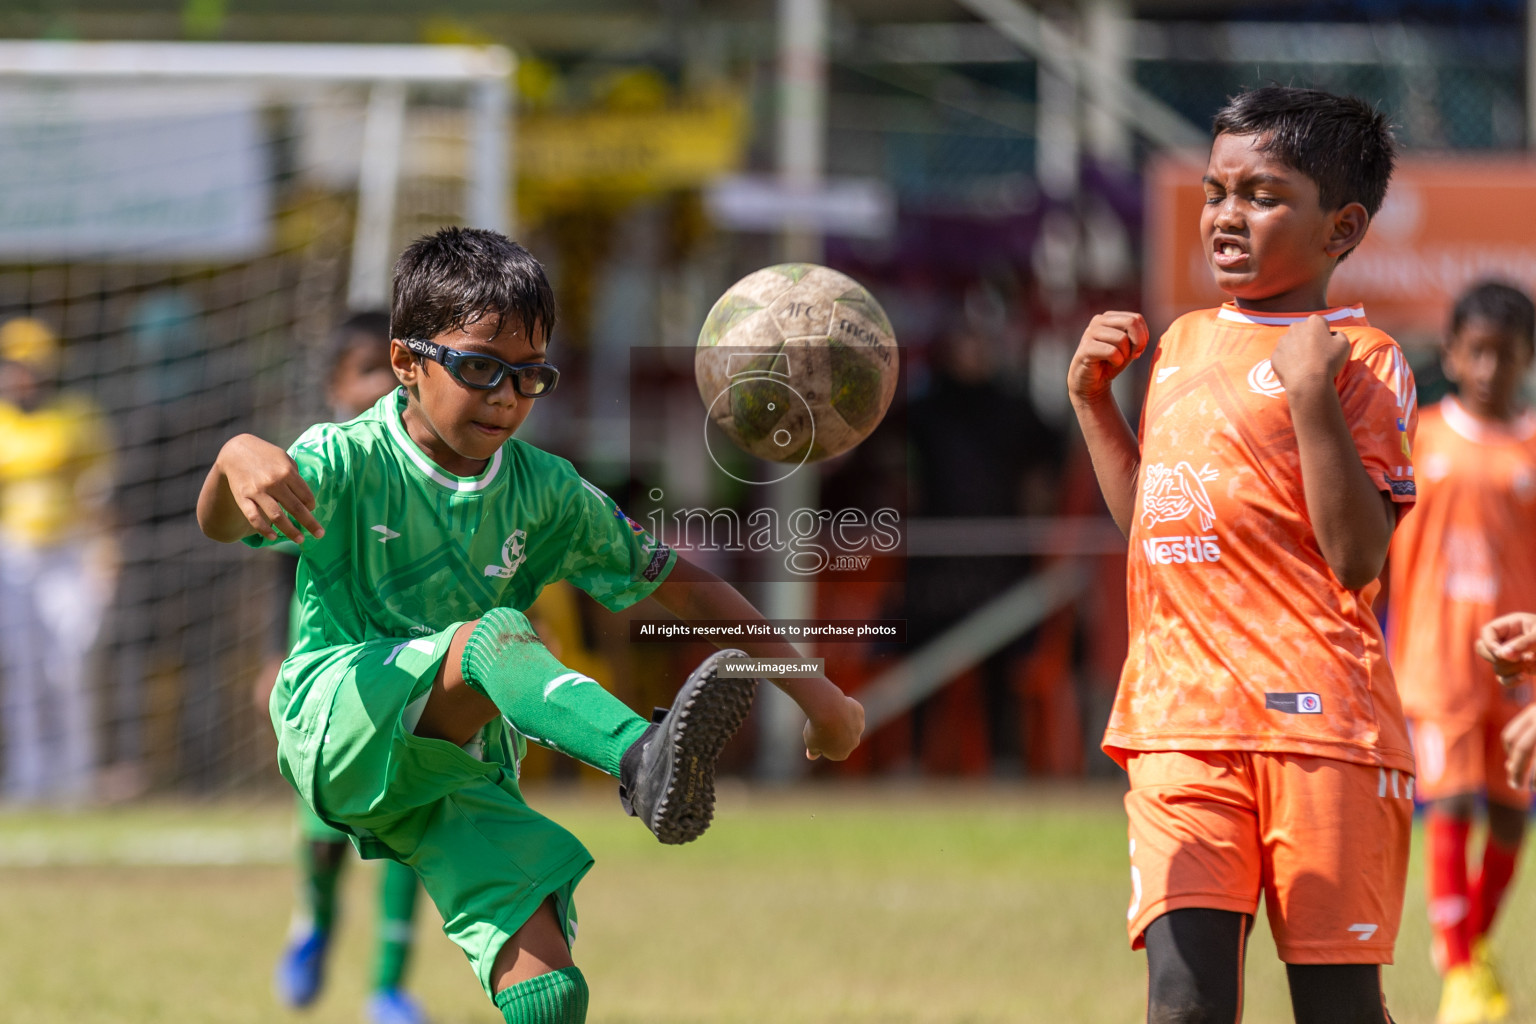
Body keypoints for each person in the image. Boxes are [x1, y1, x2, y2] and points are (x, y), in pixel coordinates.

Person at [197, 227, 864, 1024]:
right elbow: (220, 526)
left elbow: (687, 589)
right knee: (496, 637)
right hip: (336, 720)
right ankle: (642, 758)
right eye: (479, 368)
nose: (506, 396)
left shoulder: (547, 493)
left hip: (452, 771)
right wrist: (234, 456)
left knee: (549, 987)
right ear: (407, 363)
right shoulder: (347, 457)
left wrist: (817, 694)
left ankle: (632, 776)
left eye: (529, 376)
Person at [1066, 86, 1418, 1023]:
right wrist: (1095, 405)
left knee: (1337, 1008)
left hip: (1323, 734)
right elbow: (1158, 523)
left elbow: (1357, 559)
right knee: (1182, 1004)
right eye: (1218, 191)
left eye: (1262, 196)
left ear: (1342, 227)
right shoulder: (1179, 344)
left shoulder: (1364, 359)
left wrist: (1311, 398)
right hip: (1179, 725)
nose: (1227, 216)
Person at [260, 312, 432, 1024]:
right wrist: (273, 654)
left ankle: (389, 986)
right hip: (327, 683)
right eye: (364, 371)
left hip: (405, 673)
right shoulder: (321, 466)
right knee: (326, 835)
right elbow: (280, 571)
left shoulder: (425, 465)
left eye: (388, 373)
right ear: (335, 384)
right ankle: (316, 924)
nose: (379, 387)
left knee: (409, 826)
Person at [1388, 281, 1536, 1024]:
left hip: (1517, 669)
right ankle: (1458, 972)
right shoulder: (1421, 438)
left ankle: (1470, 948)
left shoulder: (1532, 448)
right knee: (1446, 806)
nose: (1488, 370)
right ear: (1452, 353)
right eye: (1476, 352)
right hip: (1435, 658)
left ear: (1527, 360)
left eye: (1504, 356)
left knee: (1512, 817)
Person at [0, 317, 114, 804]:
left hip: (68, 553)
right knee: (21, 669)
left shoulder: (77, 416)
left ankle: (75, 777)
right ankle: (29, 777)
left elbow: (101, 494)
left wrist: (104, 555)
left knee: (69, 665)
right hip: (12, 557)